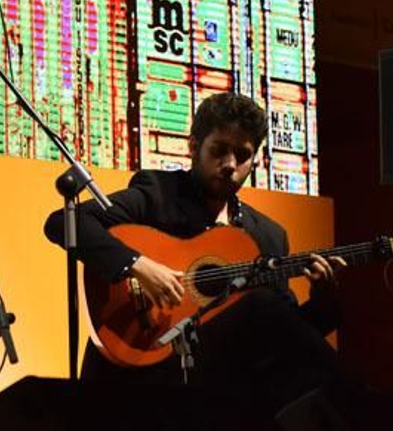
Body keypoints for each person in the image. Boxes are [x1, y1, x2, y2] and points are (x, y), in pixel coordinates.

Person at [49, 91, 348, 410]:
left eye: (243, 155)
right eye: (219, 150)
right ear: (194, 147)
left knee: (267, 316)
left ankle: (350, 406)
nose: (230, 165)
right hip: (144, 364)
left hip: (221, 384)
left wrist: (324, 299)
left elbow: (284, 335)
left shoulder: (268, 236)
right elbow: (63, 221)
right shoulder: (158, 193)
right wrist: (137, 264)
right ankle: (357, 402)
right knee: (261, 305)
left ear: (255, 160)